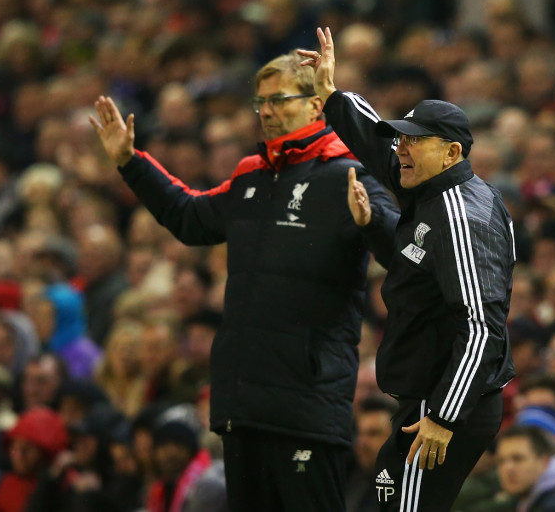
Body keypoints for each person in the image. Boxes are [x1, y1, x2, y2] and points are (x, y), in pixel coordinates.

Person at [90, 49, 399, 511]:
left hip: (307, 402)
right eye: (261, 103)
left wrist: (372, 221)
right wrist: (130, 162)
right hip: (242, 401)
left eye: (279, 100)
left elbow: (402, 250)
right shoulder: (251, 176)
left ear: (317, 105)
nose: (268, 112)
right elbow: (189, 218)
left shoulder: (348, 173)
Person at [299, 27, 515, 510]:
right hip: (423, 401)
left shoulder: (463, 216)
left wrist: (444, 416)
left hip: (444, 407)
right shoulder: (430, 185)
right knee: (385, 497)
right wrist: (331, 94)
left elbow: (482, 328)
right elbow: (374, 143)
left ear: (452, 152)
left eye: (413, 142)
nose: (399, 149)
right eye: (401, 138)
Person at [495, 425, 555, 512]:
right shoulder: (526, 496)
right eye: (501, 461)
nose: (508, 468)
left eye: (518, 459)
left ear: (544, 461)